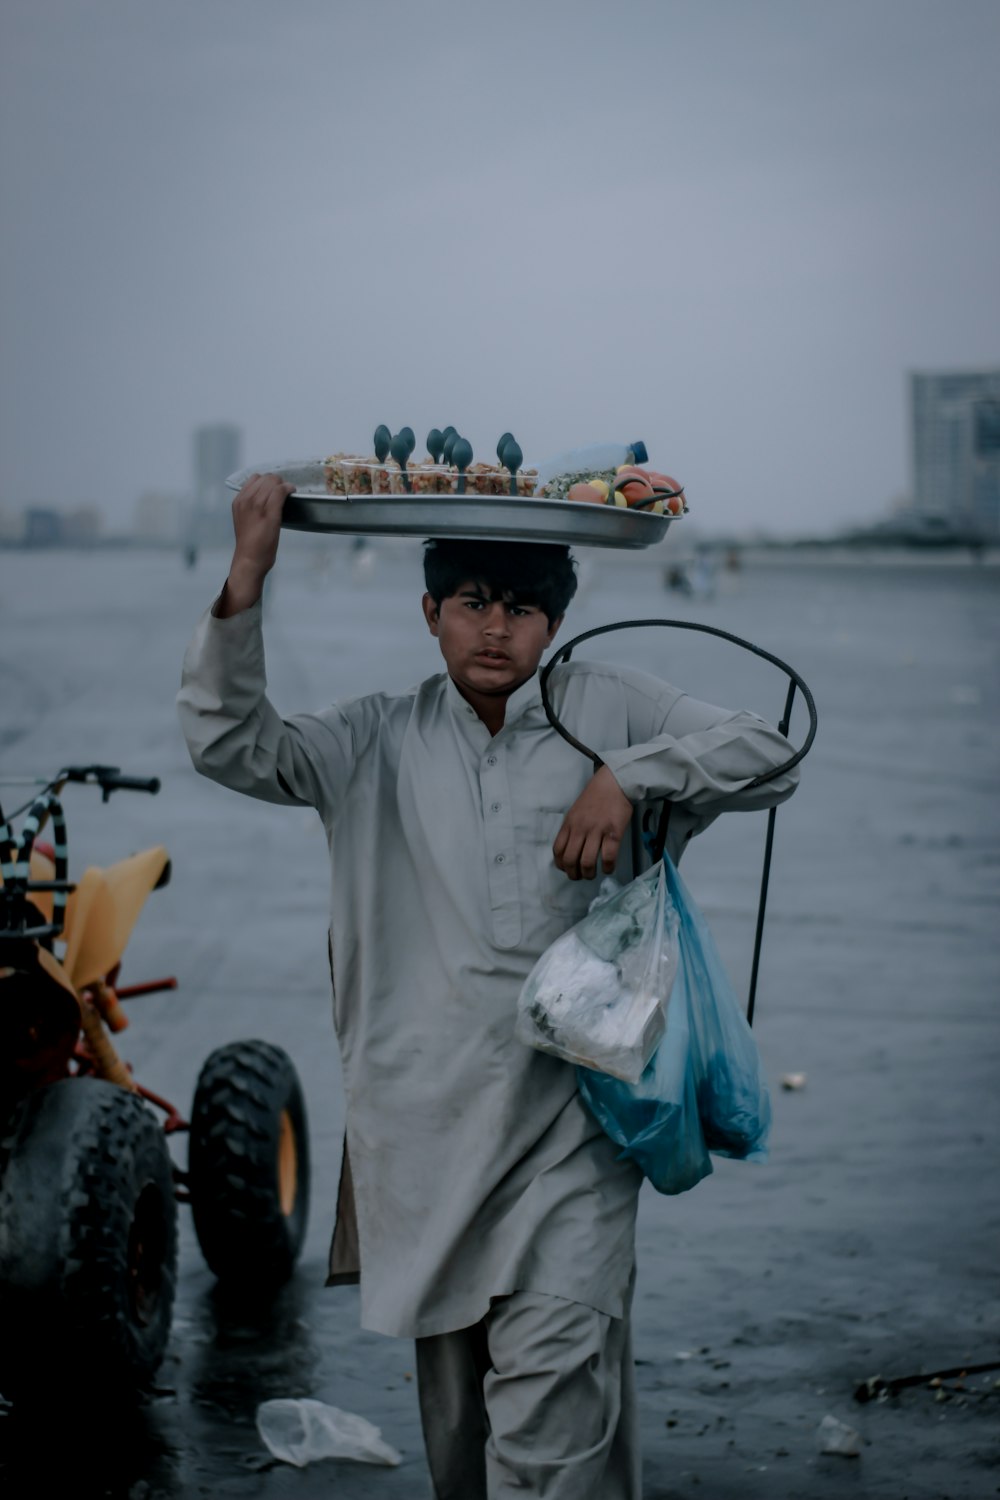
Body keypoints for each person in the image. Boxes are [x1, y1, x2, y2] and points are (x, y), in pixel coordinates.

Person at [177, 471, 799, 1499]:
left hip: (576, 1132)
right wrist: (248, 575)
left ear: (556, 618)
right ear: (429, 613)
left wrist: (632, 775)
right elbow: (232, 744)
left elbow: (769, 753)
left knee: (551, 1423)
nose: (496, 630)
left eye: (520, 608)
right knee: (462, 1444)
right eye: (471, 602)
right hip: (426, 1136)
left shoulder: (611, 706)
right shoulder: (374, 738)